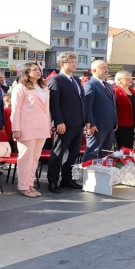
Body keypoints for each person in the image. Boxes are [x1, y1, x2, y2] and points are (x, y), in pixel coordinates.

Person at [46, 52, 88, 193]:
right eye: (71, 61)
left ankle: (67, 179)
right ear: (62, 64)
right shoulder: (56, 80)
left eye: (75, 61)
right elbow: (54, 104)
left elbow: (82, 102)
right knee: (58, 153)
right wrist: (59, 121)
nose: (75, 64)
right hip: (64, 124)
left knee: (72, 154)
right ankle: (52, 181)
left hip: (78, 123)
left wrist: (86, 120)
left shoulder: (76, 80)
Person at [10, 62, 51, 198]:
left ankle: (30, 184)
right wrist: (16, 128)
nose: (38, 71)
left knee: (35, 158)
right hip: (26, 127)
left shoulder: (43, 87)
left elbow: (47, 109)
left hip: (42, 127)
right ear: (27, 72)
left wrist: (49, 126)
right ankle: (23, 186)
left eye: (39, 69)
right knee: (25, 158)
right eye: (34, 70)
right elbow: (15, 110)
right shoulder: (20, 88)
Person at [82, 61, 117, 162]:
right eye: (103, 68)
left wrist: (116, 121)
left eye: (107, 68)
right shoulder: (90, 85)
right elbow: (87, 107)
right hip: (97, 126)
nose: (107, 70)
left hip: (110, 125)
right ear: (94, 70)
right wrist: (91, 123)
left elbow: (112, 105)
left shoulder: (109, 86)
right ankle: (86, 175)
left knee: (105, 153)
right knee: (92, 152)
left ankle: (101, 176)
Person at [114, 70, 135, 150]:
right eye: (127, 78)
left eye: (131, 78)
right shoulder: (116, 92)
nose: (130, 79)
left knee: (129, 146)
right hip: (121, 125)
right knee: (123, 147)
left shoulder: (132, 91)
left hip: (132, 124)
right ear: (119, 80)